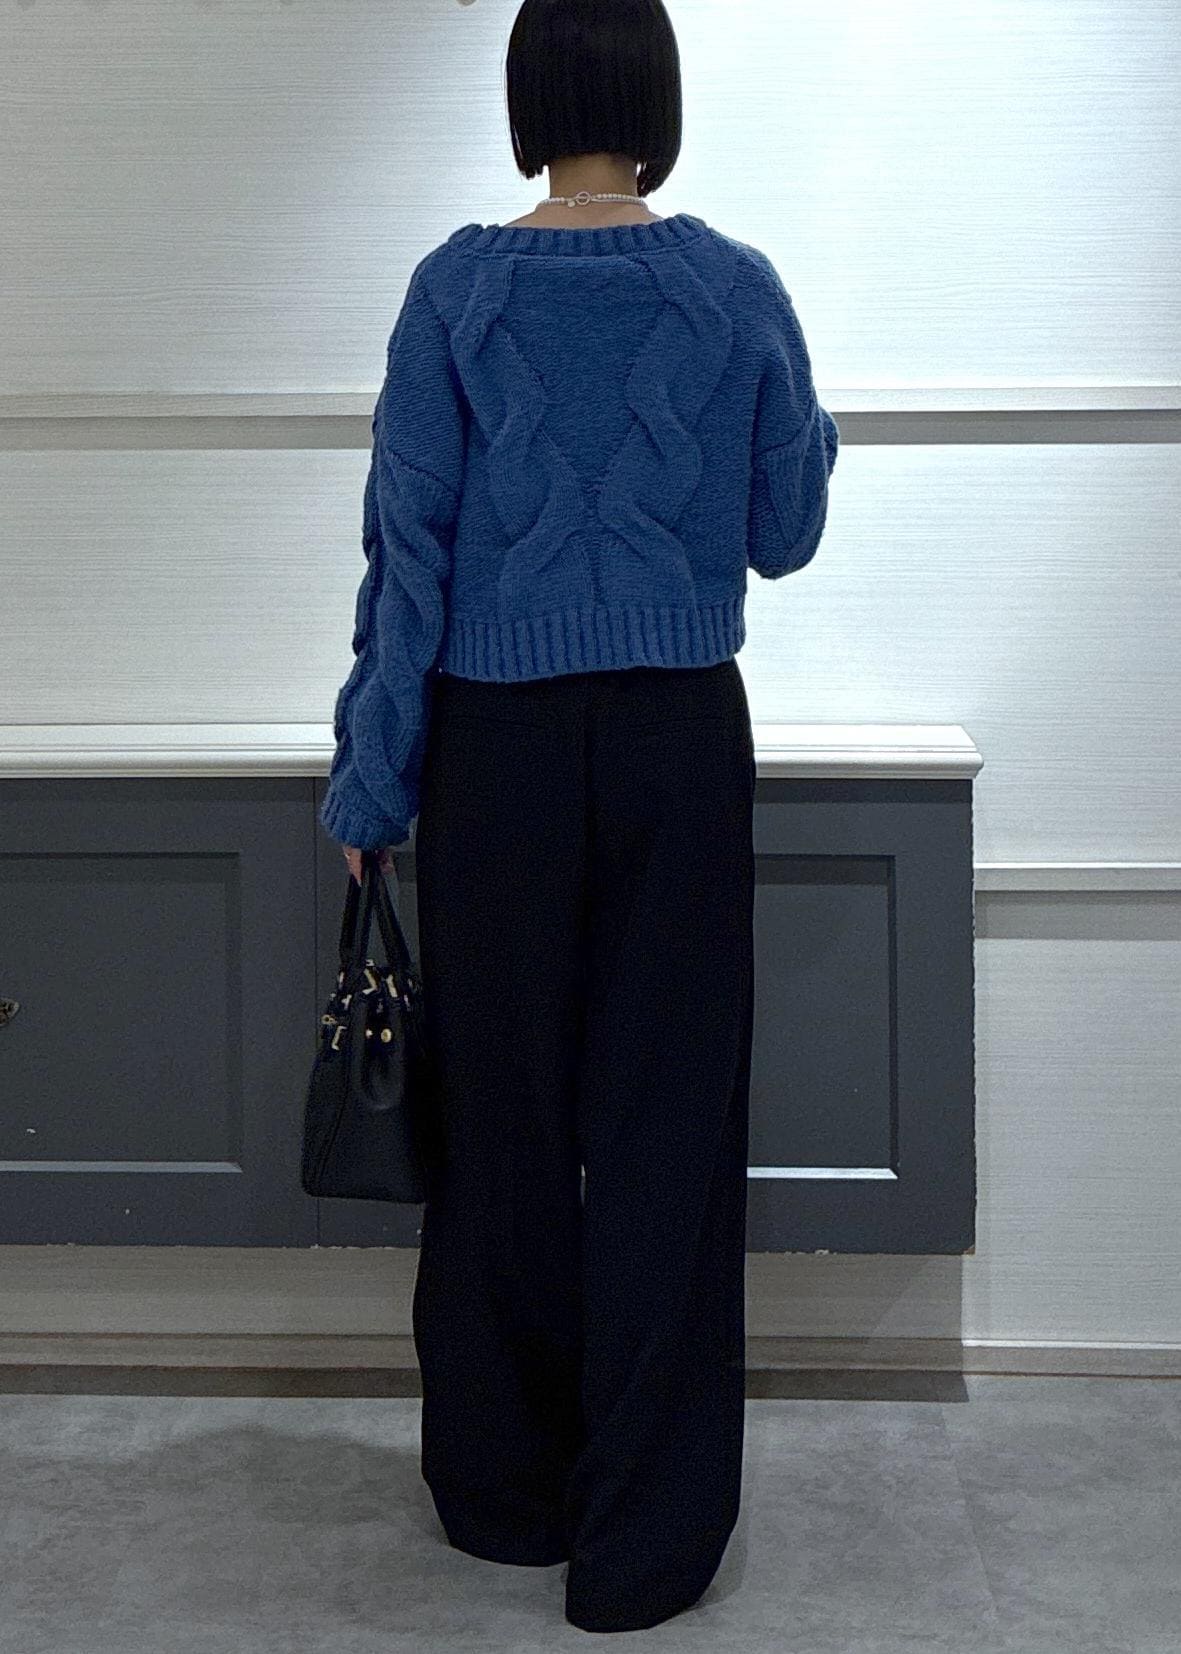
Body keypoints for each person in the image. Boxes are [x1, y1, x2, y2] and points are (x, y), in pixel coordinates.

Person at [320, 0, 839, 1631]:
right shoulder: (734, 286)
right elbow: (782, 530)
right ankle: (645, 1539)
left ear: (527, 97)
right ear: (657, 100)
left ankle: (504, 1494)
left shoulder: (457, 289)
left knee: (504, 1118)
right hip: (680, 738)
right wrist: (799, 411)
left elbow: (407, 557)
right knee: (669, 1123)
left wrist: (372, 773)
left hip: (497, 750)